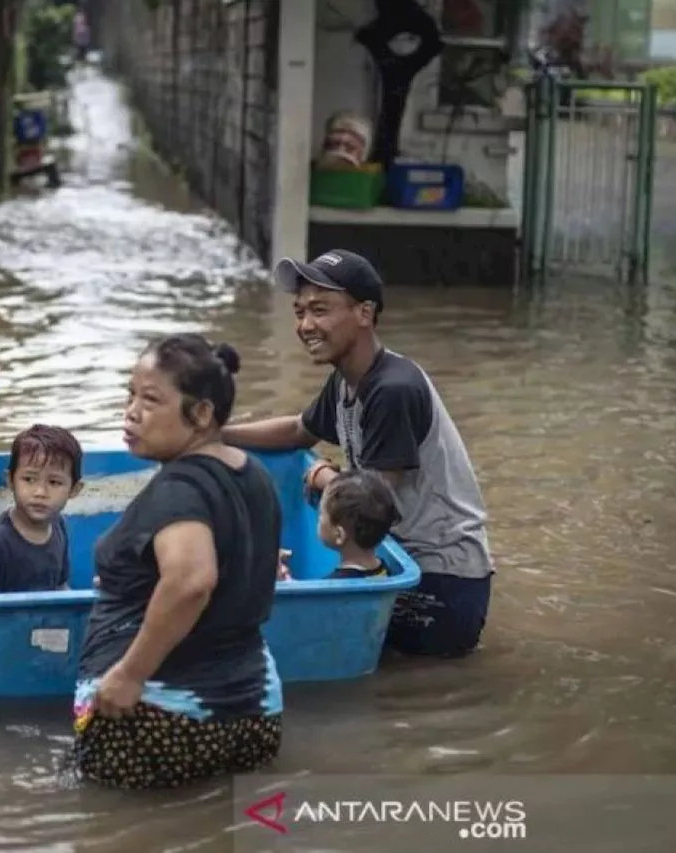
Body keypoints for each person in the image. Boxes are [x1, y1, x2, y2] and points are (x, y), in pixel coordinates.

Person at [222, 249, 494, 658]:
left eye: (320, 310)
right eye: (299, 312)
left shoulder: (393, 390)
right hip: (400, 562)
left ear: (364, 313)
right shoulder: (348, 380)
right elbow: (299, 430)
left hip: (439, 580)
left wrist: (325, 479)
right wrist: (218, 434)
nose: (305, 325)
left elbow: (371, 504)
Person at [72, 334, 284, 790]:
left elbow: (191, 581)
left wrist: (130, 674)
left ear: (202, 414)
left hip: (160, 715)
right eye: (130, 395)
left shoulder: (178, 490)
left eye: (150, 400)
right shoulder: (253, 474)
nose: (131, 412)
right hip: (254, 710)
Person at [0, 425, 82, 595]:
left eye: (54, 482)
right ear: (10, 480)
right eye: (29, 479)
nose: (40, 492)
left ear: (74, 489)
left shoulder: (58, 524)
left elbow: (61, 587)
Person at [317, 468, 400, 579]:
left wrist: (288, 581)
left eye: (321, 515)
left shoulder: (331, 588)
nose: (319, 520)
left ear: (339, 534)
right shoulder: (386, 572)